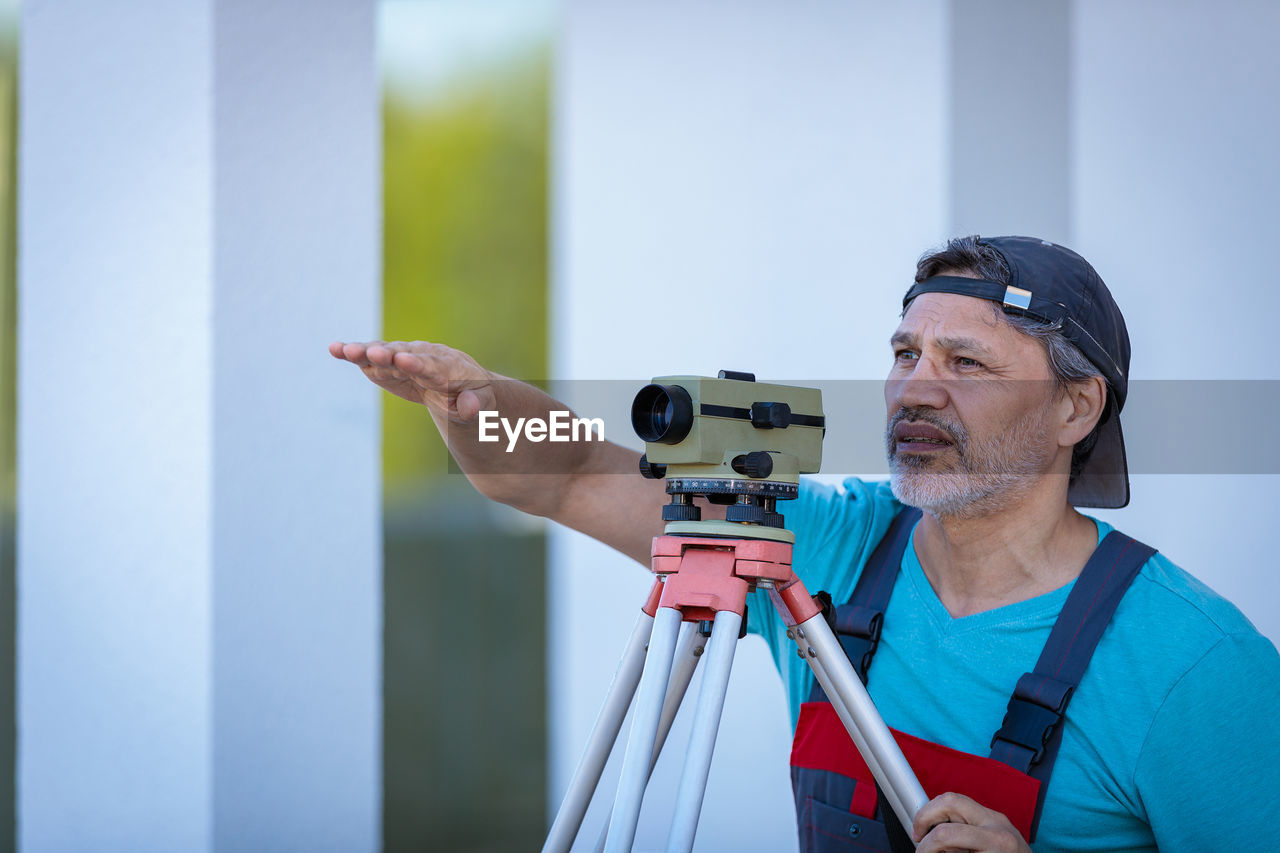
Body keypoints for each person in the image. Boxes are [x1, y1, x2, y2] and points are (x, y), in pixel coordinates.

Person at [331, 235, 1280, 853]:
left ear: (1077, 406)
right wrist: (477, 407)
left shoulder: (1196, 665)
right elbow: (567, 474)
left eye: (966, 363)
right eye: (905, 353)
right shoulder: (831, 550)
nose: (915, 390)